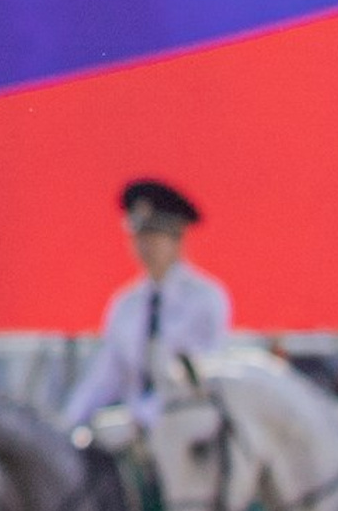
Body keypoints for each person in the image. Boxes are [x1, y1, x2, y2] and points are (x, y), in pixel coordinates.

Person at [65, 178, 232, 428]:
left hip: (186, 433)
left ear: (176, 240)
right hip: (134, 434)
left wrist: (144, 415)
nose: (144, 247)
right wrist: (69, 424)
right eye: (139, 237)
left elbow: (198, 378)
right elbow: (106, 376)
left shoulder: (204, 299)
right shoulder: (127, 305)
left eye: (154, 237)